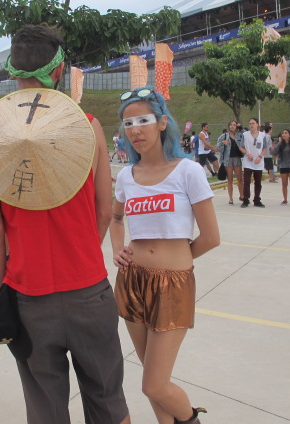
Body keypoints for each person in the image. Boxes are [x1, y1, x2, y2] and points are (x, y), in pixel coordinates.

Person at [0, 24, 130, 424]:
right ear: (59, 71)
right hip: (89, 290)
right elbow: (103, 210)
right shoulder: (88, 125)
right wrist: (81, 252)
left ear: (13, 72)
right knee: (108, 401)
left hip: (28, 296)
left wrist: (3, 289)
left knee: (45, 409)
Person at [110, 86, 219, 424]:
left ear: (161, 123)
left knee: (155, 385)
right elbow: (115, 218)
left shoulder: (188, 171)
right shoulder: (127, 176)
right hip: (131, 282)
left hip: (173, 286)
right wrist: (117, 250)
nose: (135, 130)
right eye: (128, 124)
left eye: (143, 120)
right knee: (149, 380)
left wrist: (178, 260)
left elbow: (211, 237)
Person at [238, 118, 268, 208]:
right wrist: (247, 153)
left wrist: (260, 157)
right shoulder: (245, 134)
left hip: (258, 162)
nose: (251, 125)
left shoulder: (262, 135)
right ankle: (246, 199)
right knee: (246, 181)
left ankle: (257, 199)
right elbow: (241, 147)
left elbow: (265, 148)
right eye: (250, 123)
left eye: (253, 123)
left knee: (258, 182)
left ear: (257, 124)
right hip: (248, 161)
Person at [217, 120, 244, 205]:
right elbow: (219, 148)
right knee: (230, 179)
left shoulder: (240, 135)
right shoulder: (224, 136)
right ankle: (231, 198)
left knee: (240, 179)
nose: (232, 126)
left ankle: (242, 196)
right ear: (229, 126)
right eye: (231, 125)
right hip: (227, 159)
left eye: (234, 125)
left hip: (237, 158)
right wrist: (222, 143)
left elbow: (246, 135)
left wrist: (241, 128)